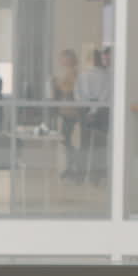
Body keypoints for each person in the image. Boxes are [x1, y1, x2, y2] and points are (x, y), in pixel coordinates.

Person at [73, 47, 112, 184]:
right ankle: (96, 177)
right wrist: (94, 110)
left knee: (84, 144)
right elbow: (105, 96)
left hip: (86, 110)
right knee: (99, 145)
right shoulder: (107, 76)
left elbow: (78, 95)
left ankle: (80, 176)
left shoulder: (83, 75)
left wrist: (87, 110)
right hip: (102, 111)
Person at [52, 49, 80, 180]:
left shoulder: (74, 73)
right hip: (64, 112)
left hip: (72, 112)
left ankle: (74, 166)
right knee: (65, 141)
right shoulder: (65, 73)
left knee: (69, 141)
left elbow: (69, 88)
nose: (61, 61)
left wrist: (58, 84)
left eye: (64, 58)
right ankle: (70, 166)